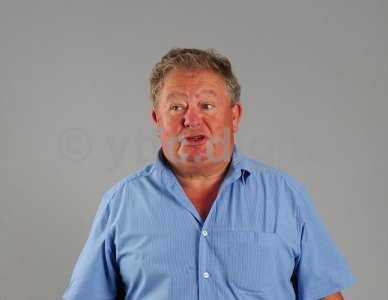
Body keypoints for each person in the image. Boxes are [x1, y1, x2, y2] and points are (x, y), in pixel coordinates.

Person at [63, 48, 355, 300]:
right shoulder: (121, 203)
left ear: (235, 115)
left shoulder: (285, 196)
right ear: (156, 119)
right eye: (177, 107)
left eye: (207, 105)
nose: (191, 120)